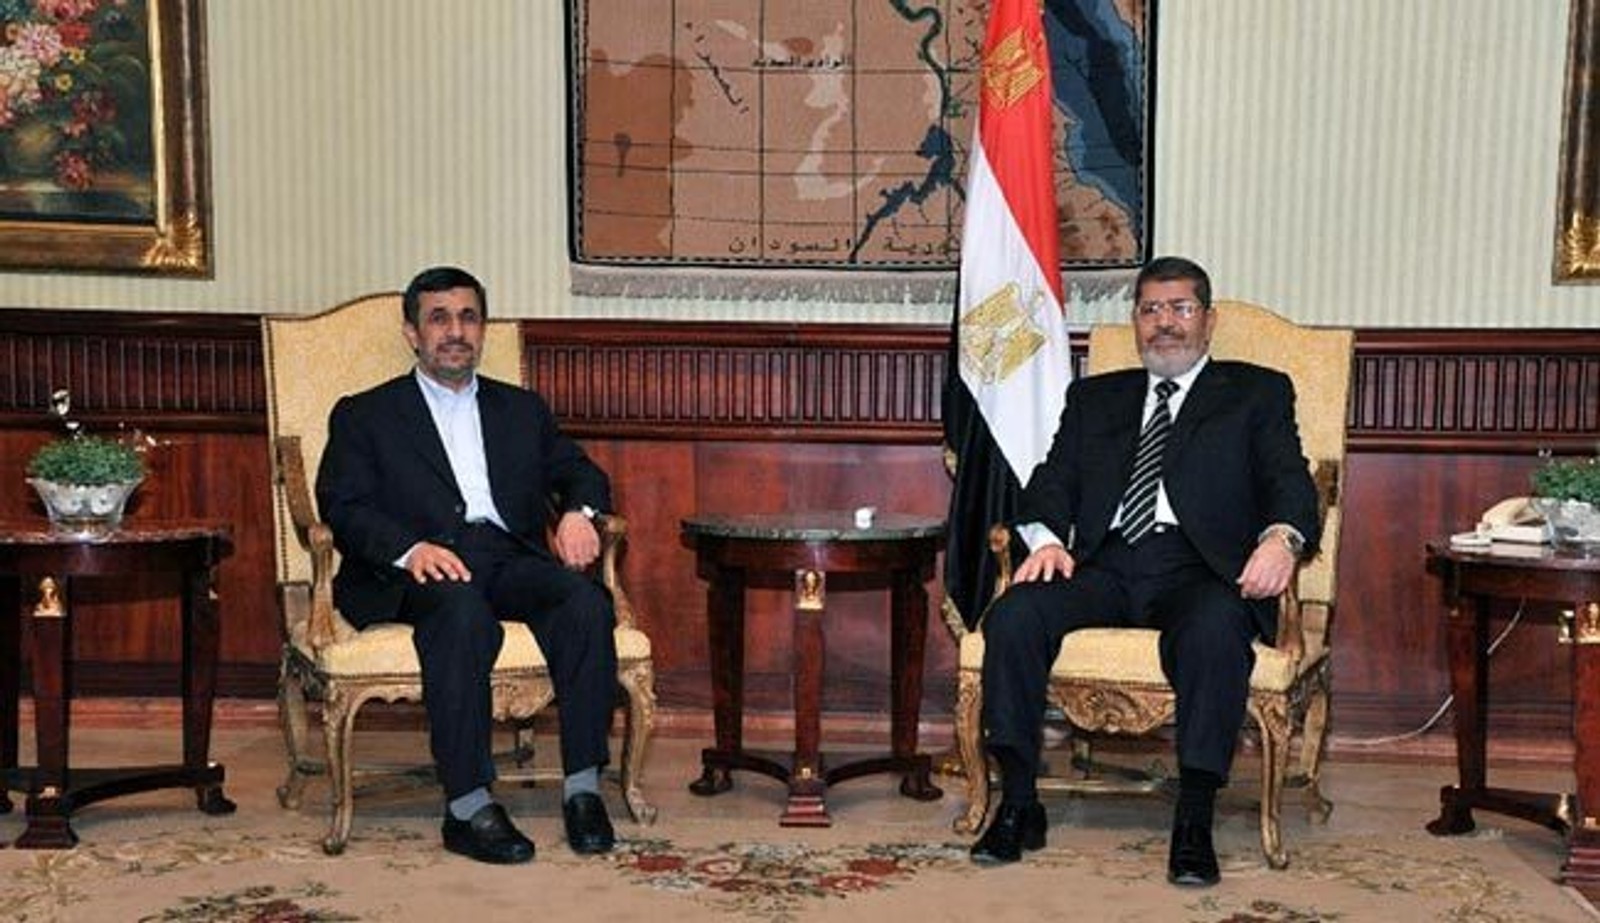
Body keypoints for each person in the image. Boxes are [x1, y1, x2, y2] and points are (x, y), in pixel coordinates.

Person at [968, 256, 1321, 887]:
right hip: (1104, 566)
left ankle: (1194, 818)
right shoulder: (1096, 397)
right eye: (1151, 310)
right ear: (1135, 320)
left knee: (1214, 631)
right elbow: (1053, 480)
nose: (1165, 323)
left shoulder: (1256, 392)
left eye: (1180, 308)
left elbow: (1289, 480)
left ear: (1208, 320)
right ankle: (1018, 802)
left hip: (1200, 570)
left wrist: (1281, 539)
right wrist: (1044, 539)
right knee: (1015, 614)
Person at [316, 266, 619, 864]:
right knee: (460, 616)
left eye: (468, 317)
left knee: (585, 602)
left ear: (482, 329)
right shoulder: (366, 414)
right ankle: (468, 805)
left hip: (506, 556)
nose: (455, 331)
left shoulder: (521, 410)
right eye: (439, 318)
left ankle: (583, 789)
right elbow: (343, 507)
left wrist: (577, 514)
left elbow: (582, 472)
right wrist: (410, 550)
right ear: (412, 333)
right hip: (416, 567)